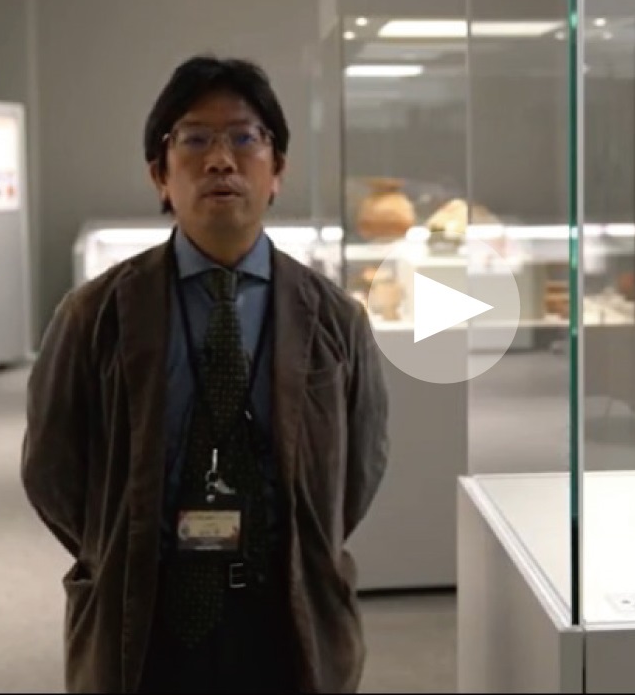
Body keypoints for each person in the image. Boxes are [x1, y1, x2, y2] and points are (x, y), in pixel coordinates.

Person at [21, 55, 390, 694]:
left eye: (245, 138)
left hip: (285, 614)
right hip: (146, 616)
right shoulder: (93, 315)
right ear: (160, 176)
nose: (221, 160)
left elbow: (360, 468)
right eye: (194, 140)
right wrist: (118, 547)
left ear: (277, 172)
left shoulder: (334, 320)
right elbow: (52, 471)